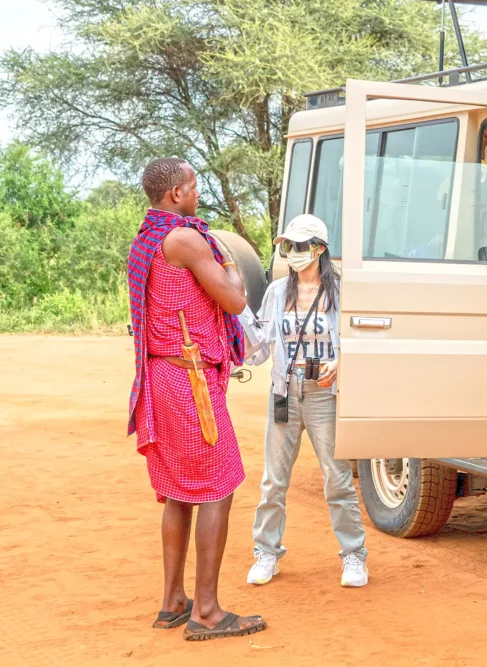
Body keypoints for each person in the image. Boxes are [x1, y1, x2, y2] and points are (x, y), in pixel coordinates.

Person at [127, 157, 266, 641]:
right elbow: (233, 299)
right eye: (192, 186)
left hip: (163, 376)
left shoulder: (147, 237)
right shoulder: (184, 239)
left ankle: (172, 601)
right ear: (174, 195)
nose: (197, 193)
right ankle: (205, 611)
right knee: (218, 487)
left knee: (179, 491)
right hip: (191, 384)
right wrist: (228, 259)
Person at [245, 214, 369, 588]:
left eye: (300, 246)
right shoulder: (276, 292)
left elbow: (360, 339)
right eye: (288, 247)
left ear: (319, 249)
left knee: (337, 478)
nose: (293, 253)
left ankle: (354, 556)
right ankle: (266, 552)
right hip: (284, 390)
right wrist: (234, 315)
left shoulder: (341, 292)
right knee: (273, 481)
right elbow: (260, 348)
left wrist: (341, 360)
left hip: (323, 395)